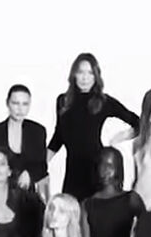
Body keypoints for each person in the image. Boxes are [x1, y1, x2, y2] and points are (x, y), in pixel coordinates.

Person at [47, 53, 140, 199]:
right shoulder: (63, 101)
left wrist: (120, 137)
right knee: (70, 210)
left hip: (97, 170)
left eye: (90, 73)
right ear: (74, 74)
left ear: (96, 76)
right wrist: (40, 166)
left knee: (95, 211)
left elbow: (138, 122)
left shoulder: (103, 101)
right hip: (72, 172)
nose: (85, 78)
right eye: (81, 72)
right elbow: (58, 137)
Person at [82, 147, 143, 237]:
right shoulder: (88, 204)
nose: (105, 170)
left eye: (110, 165)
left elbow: (148, 229)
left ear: (118, 168)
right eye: (102, 165)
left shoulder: (131, 199)